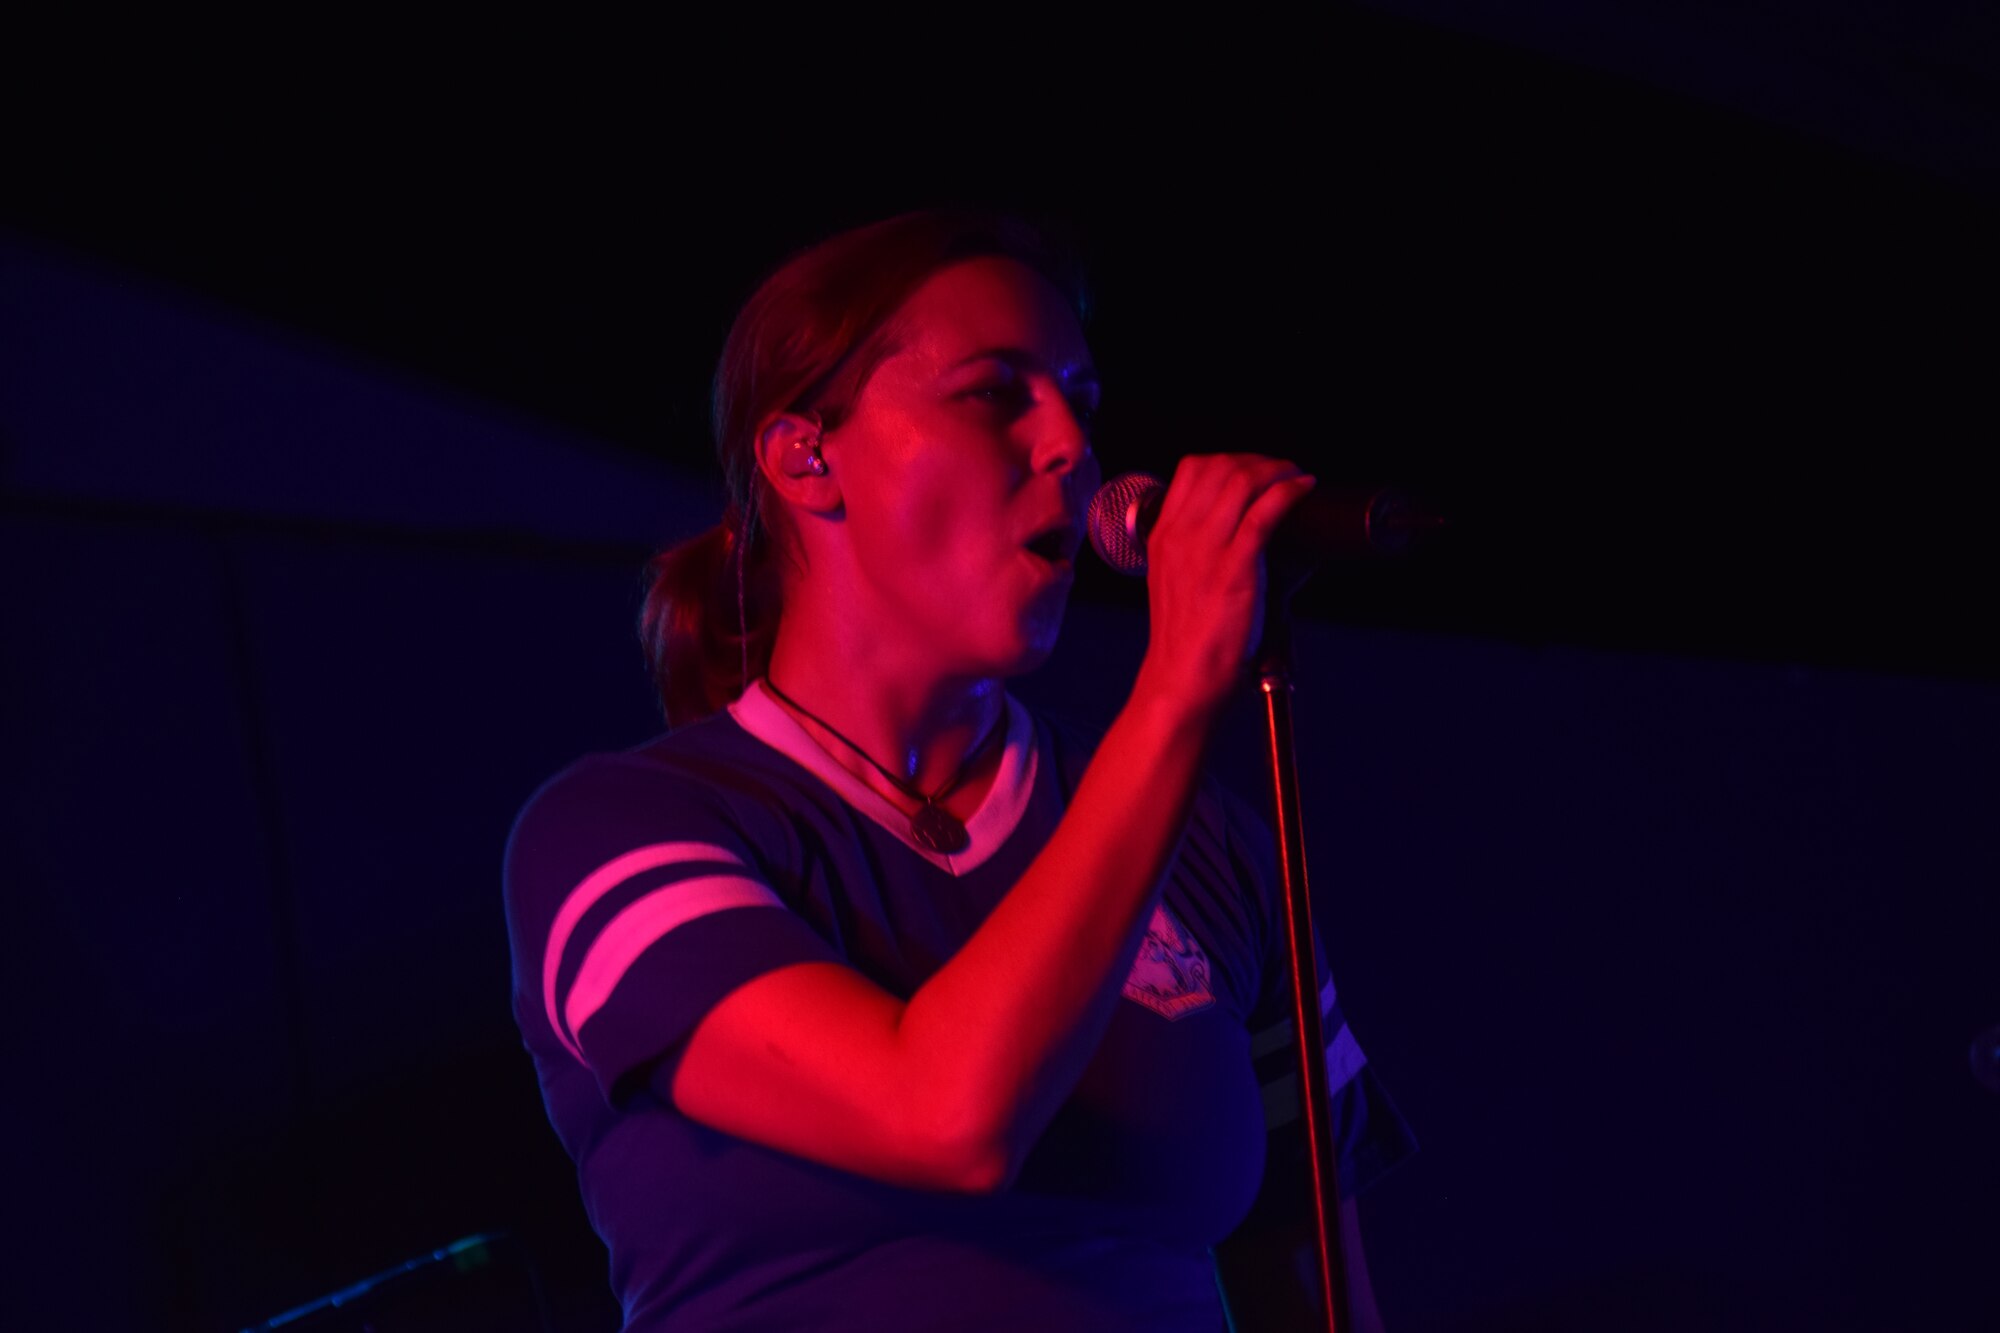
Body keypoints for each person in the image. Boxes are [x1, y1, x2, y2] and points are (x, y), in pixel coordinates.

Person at [503, 211, 1415, 1332]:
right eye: (994, 393)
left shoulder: (1210, 839)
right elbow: (945, 1117)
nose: (1071, 447)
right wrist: (1176, 688)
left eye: (1079, 399)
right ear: (804, 455)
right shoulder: (619, 831)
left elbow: (1312, 1279)